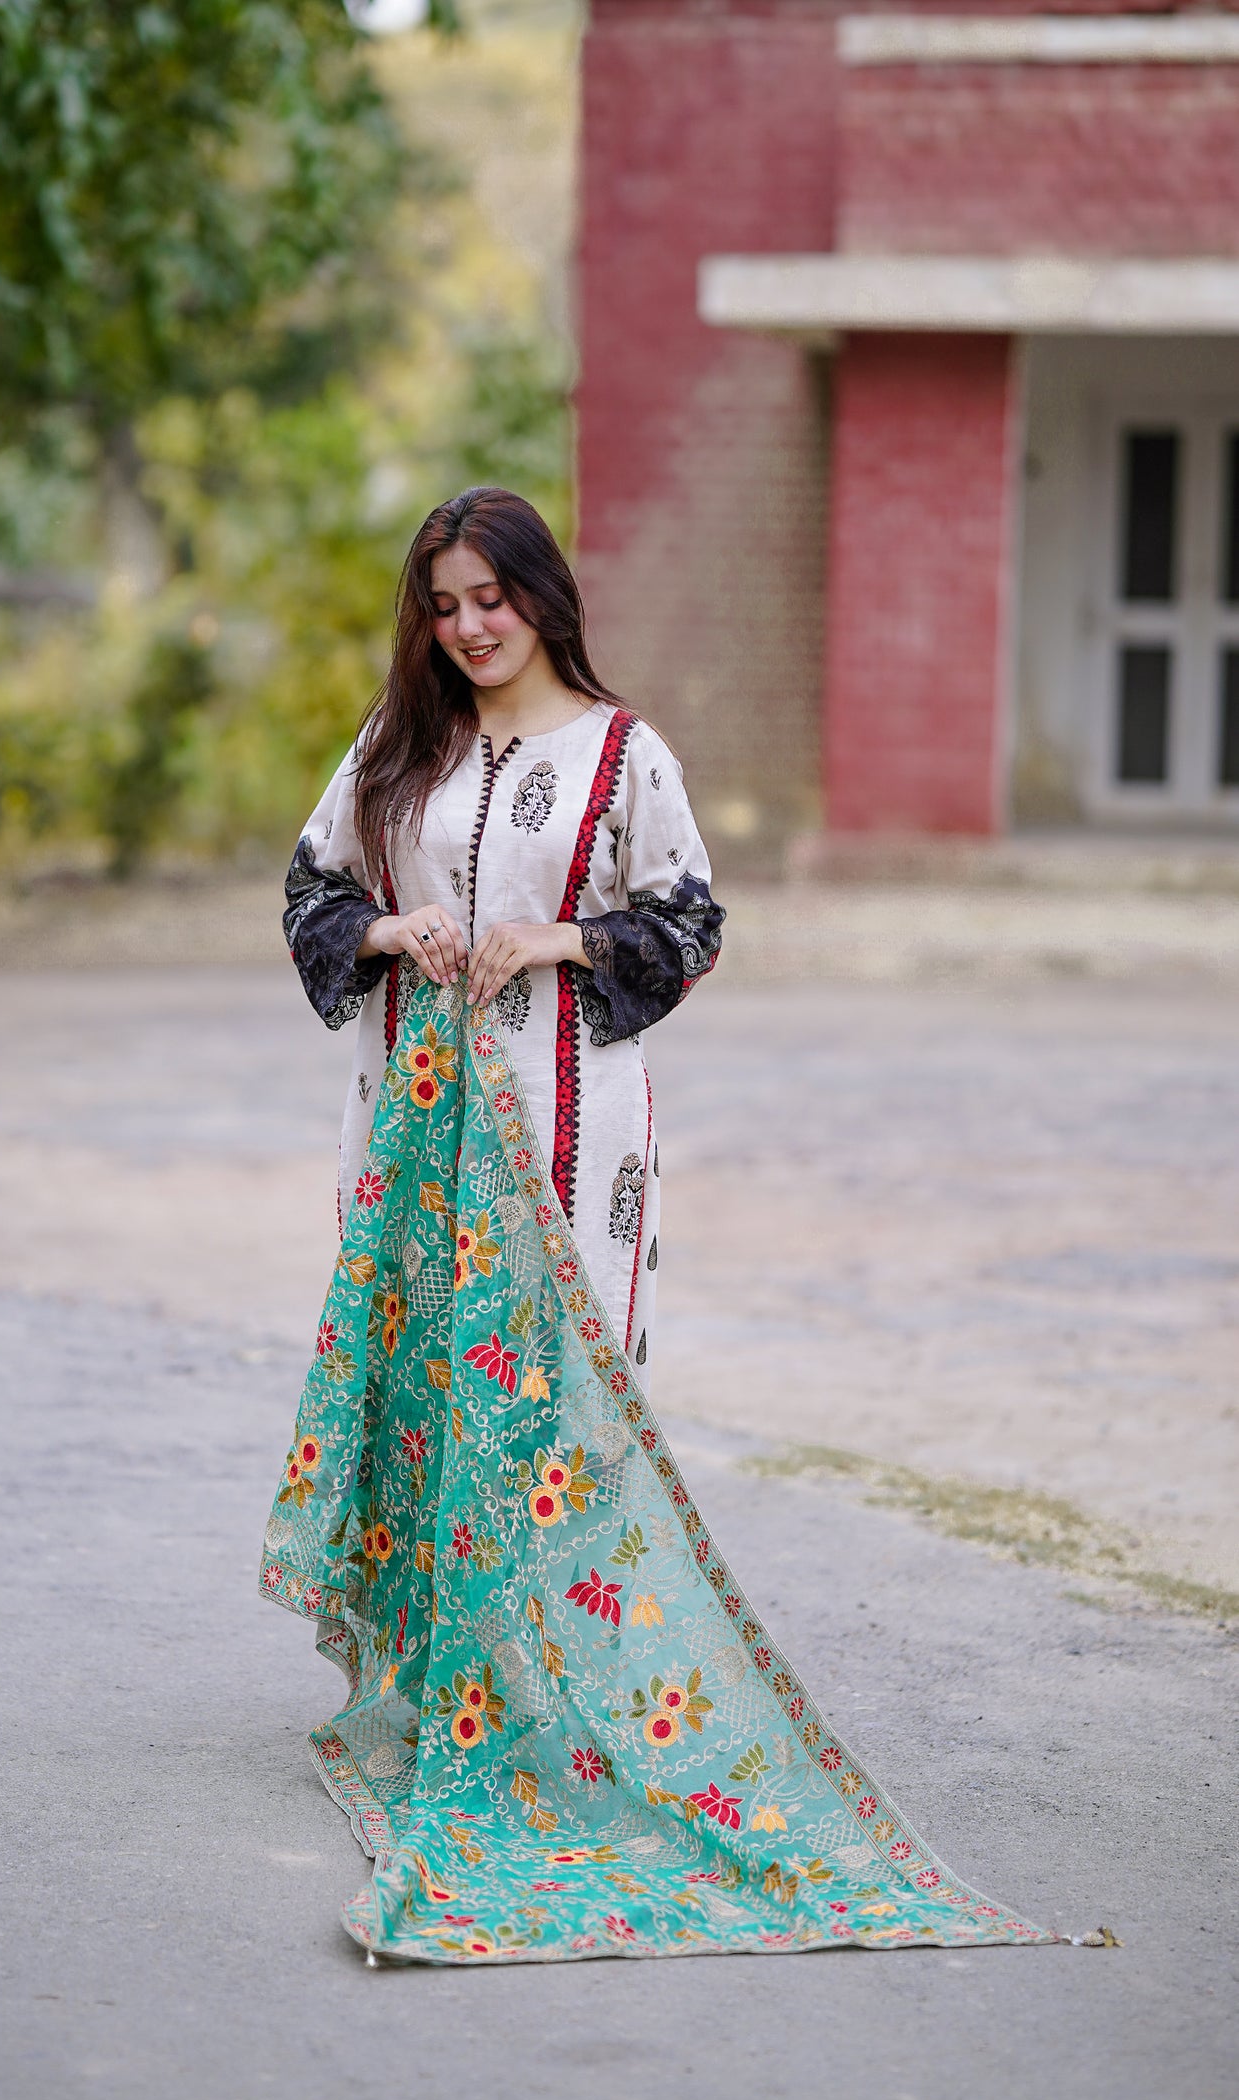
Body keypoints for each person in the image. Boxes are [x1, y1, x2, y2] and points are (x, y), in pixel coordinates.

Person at [262, 487, 1057, 1965]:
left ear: (542, 597)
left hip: (569, 1129)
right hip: (413, 1132)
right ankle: (454, 1695)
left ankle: (562, 1706)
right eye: (442, 603)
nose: (468, 626)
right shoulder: (397, 749)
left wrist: (557, 937)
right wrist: (391, 929)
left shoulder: (624, 758)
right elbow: (311, 890)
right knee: (429, 1390)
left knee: (556, 1404)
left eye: (490, 596)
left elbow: (687, 925)